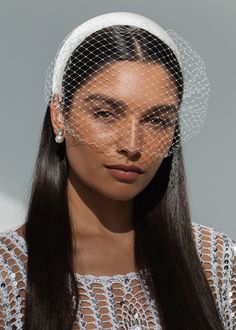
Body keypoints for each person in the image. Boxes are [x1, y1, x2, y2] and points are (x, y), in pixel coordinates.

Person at [0, 11, 235, 330]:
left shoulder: (215, 259)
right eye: (106, 114)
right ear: (59, 114)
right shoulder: (7, 275)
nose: (132, 144)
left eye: (157, 120)